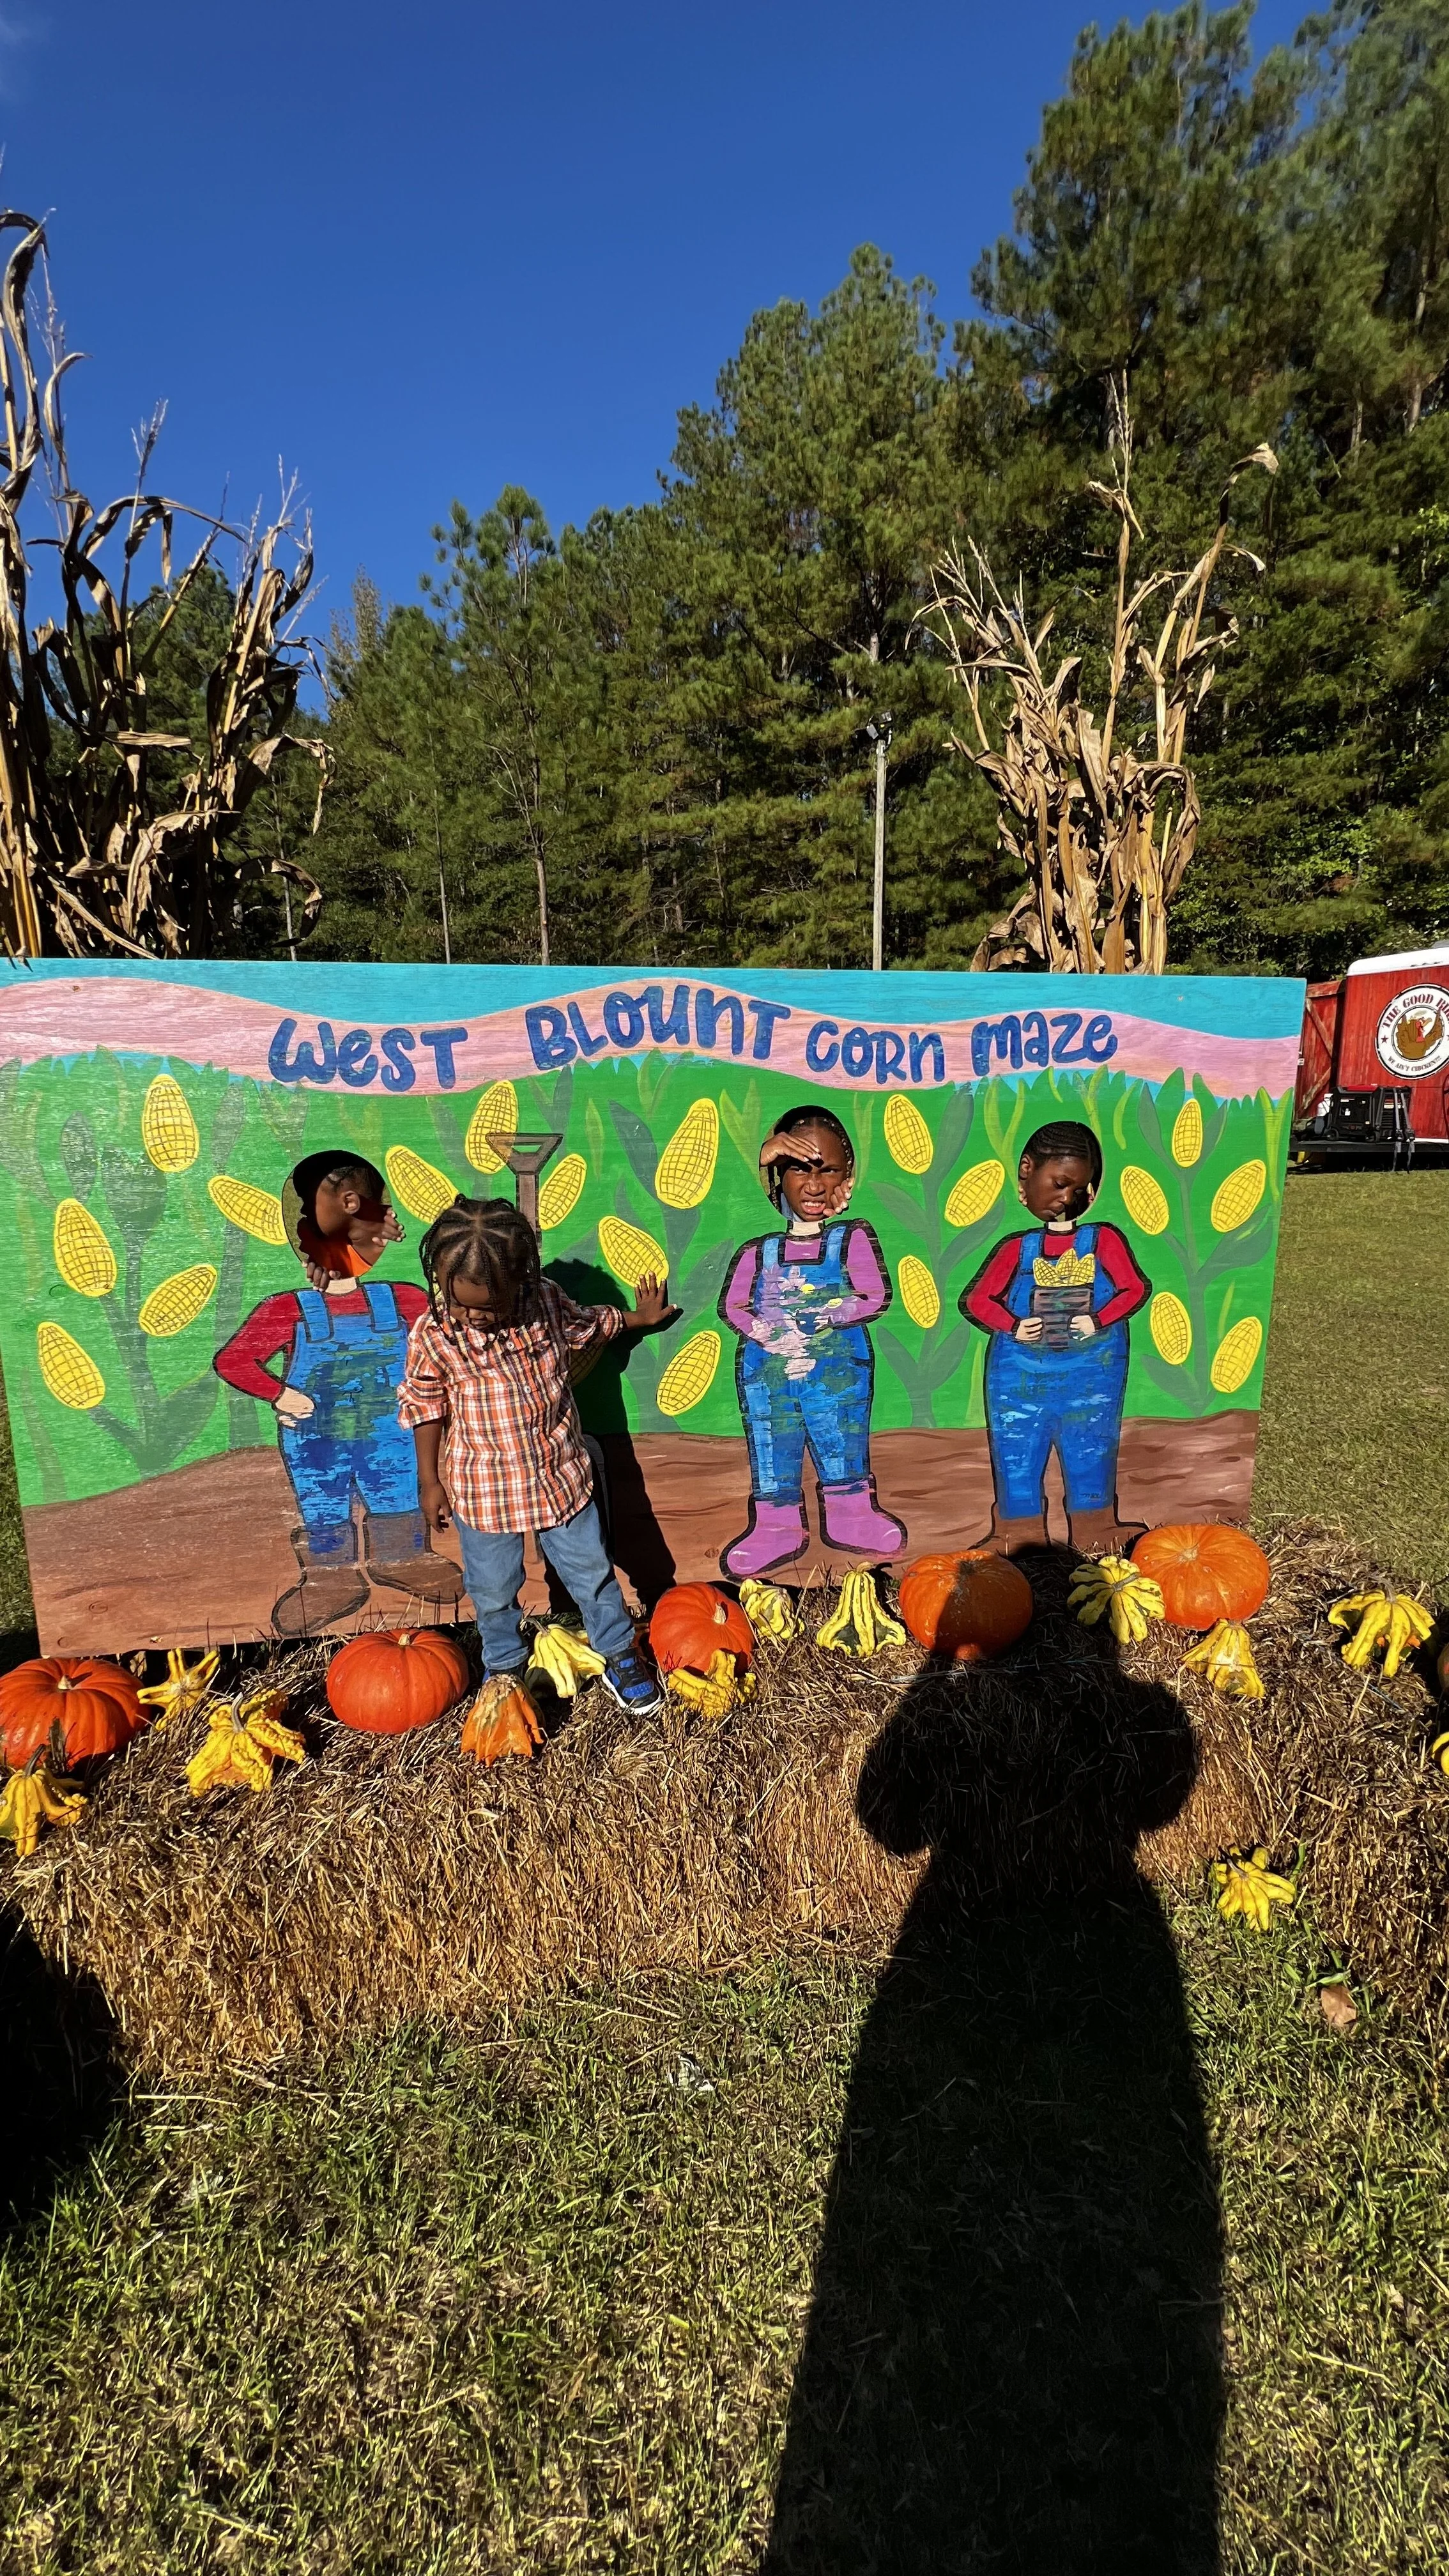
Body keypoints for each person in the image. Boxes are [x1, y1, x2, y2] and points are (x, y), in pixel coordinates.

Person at [398, 1194, 678, 1713]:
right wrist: (428, 1479)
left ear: (520, 1283)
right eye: (457, 1301)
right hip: (484, 1488)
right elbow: (423, 1403)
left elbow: (590, 1324)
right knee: (492, 1588)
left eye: (485, 1306)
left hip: (558, 1475)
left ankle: (618, 1652)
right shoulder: (435, 1335)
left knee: (592, 1573)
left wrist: (638, 1319)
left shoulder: (546, 1303)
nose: (470, 1316)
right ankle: (504, 1669)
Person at [213, 1154, 462, 1635]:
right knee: (323, 1502)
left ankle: (403, 1558)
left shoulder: (405, 1299)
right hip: (316, 1439)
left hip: (390, 1433)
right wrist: (278, 1393)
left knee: (396, 1493)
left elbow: (445, 1339)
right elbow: (233, 1361)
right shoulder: (287, 1309)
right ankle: (329, 1579)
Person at [718, 1103, 904, 1579]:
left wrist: (831, 1313)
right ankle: (775, 1526)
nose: (815, 1184)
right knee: (772, 1440)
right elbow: (735, 1306)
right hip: (770, 1371)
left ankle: (852, 1515)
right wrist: (768, 1333)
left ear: (848, 1177)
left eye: (829, 1170)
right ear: (777, 1176)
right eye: (799, 1168)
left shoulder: (851, 1238)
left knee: (840, 1435)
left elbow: (873, 1294)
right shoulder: (759, 1251)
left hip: (836, 1368)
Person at [960, 1117, 1149, 1556]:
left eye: (1080, 1190)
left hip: (1091, 1378)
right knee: (1017, 1449)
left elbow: (1134, 1289)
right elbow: (979, 1301)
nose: (1067, 1200)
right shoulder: (1017, 1249)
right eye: (1060, 1184)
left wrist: (1100, 1320)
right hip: (1020, 1381)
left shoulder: (1104, 1241)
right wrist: (1013, 1325)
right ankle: (1017, 1531)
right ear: (1027, 1171)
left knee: (1092, 1444)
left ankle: (1094, 1526)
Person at [296, 1155, 403, 1285]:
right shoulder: (318, 1243)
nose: (303, 1210)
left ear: (349, 1203)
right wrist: (318, 1274)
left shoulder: (398, 1227)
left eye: (309, 1201)